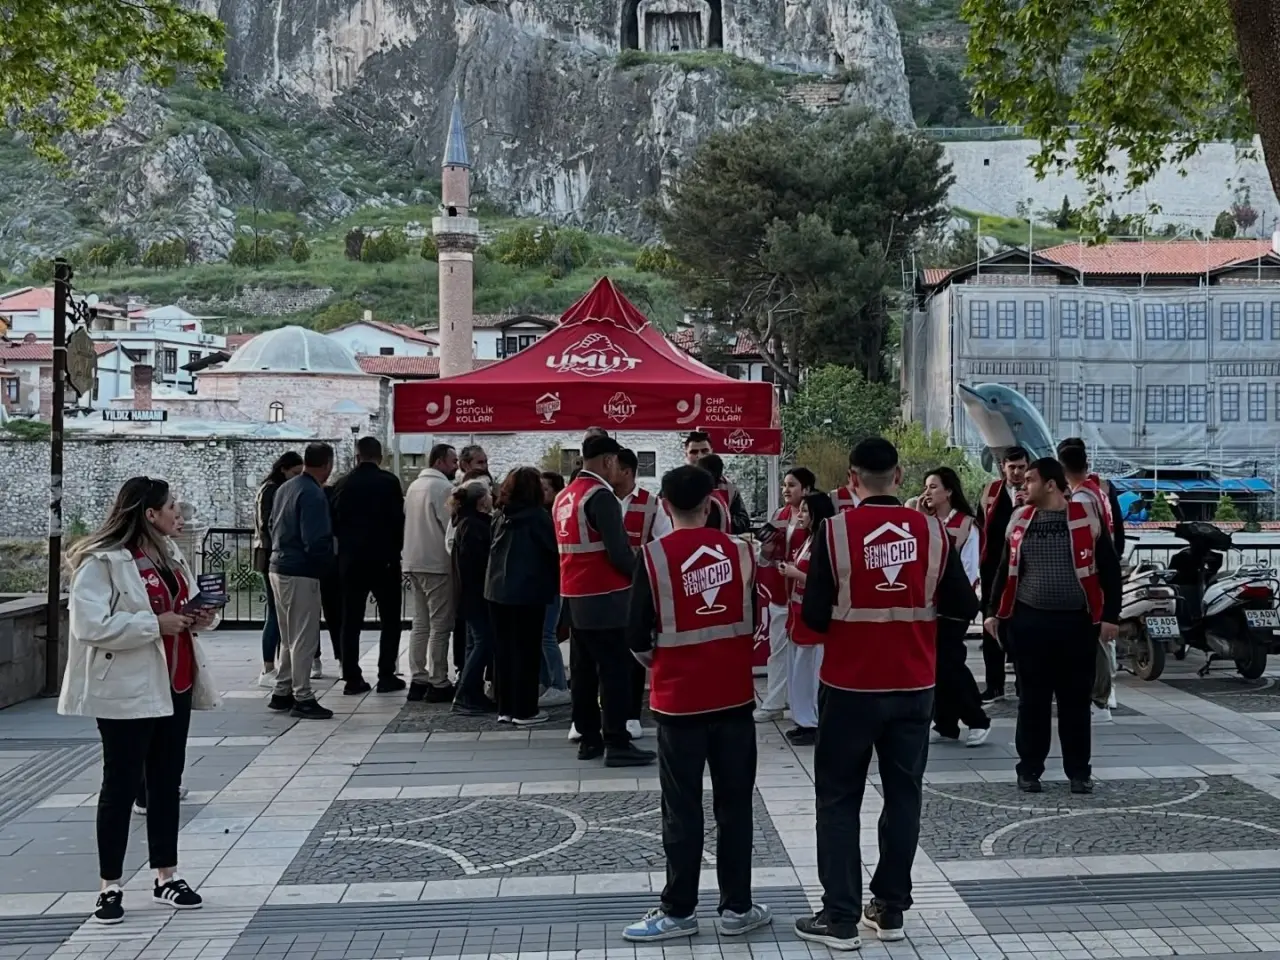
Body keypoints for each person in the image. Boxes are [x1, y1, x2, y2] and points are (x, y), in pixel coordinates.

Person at [796, 437, 979, 950]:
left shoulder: (833, 532)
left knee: (838, 799)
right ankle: (890, 908)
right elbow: (963, 605)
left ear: (852, 480)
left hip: (849, 687)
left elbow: (814, 615)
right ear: (899, 477)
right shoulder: (934, 532)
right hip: (914, 686)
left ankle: (839, 917)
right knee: (903, 796)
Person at [622, 465, 772, 942]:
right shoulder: (742, 553)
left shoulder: (652, 557)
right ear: (711, 504)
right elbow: (758, 620)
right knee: (735, 806)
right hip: (734, 700)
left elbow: (636, 637)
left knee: (681, 809)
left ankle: (679, 910)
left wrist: (666, 662)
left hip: (678, 704)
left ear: (665, 506)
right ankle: (737, 908)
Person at [62, 476, 220, 924]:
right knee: (121, 783)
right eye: (171, 507)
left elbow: (183, 608)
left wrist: (200, 616)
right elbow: (89, 625)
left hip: (176, 683)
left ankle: (166, 875)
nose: (178, 514)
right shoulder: (103, 560)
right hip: (127, 689)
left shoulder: (170, 554)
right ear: (149, 514)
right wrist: (155, 624)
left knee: (165, 782)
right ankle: (109, 884)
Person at [986, 457, 1123, 795]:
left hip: (1077, 622)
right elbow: (1004, 569)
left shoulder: (1086, 517)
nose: (1023, 484)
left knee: (1075, 701)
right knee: (1032, 701)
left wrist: (1111, 616)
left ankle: (1079, 772)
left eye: (1030, 479)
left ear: (1050, 484)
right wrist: (992, 611)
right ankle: (1029, 769)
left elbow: (1109, 568)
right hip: (1030, 621)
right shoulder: (1020, 519)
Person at [554, 434, 654, 767]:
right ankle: (617, 741)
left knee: (583, 671)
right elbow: (619, 553)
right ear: (609, 460)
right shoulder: (601, 497)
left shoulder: (565, 496)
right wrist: (642, 576)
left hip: (574, 596)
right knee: (615, 671)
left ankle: (589, 739)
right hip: (607, 597)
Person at [331, 436, 407, 695]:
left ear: (357, 456)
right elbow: (398, 520)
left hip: (351, 561)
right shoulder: (389, 482)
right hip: (384, 560)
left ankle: (352, 677)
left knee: (350, 620)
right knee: (390, 619)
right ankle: (386, 675)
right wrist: (395, 550)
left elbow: (334, 521)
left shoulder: (343, 483)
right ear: (380, 457)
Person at [920, 468, 991, 747]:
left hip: (954, 602)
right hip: (928, 602)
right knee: (937, 664)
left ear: (949, 491)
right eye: (926, 487)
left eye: (933, 487)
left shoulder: (965, 525)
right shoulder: (925, 522)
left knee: (949, 663)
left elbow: (970, 568)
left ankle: (977, 719)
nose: (927, 492)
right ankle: (946, 722)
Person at [268, 443, 337, 720]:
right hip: (301, 570)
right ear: (328, 465)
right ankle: (303, 695)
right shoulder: (313, 493)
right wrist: (328, 565)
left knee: (288, 636)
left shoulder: (286, 488)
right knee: (304, 637)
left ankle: (282, 690)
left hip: (278, 565)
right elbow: (315, 539)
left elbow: (272, 524)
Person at [488, 467, 560, 724]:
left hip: (496, 590)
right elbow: (553, 551)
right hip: (528, 591)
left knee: (504, 650)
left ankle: (505, 707)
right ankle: (525, 709)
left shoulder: (500, 516)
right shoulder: (538, 518)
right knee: (527, 651)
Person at [1058, 440, 1122, 724]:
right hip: (1100, 570)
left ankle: (1099, 699)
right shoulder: (1098, 491)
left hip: (1089, 573)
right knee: (1100, 641)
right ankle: (1102, 696)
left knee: (1096, 644)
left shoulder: (1081, 499)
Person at [615, 448, 673, 739]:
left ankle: (630, 714)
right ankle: (600, 714)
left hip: (636, 588)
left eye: (612, 466)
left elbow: (666, 542)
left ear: (627, 471)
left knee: (633, 651)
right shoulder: (598, 498)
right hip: (604, 590)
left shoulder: (651, 504)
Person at [754, 467, 815, 724]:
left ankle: (800, 701)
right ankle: (774, 703)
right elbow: (765, 559)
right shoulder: (779, 515)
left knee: (806, 653)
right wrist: (767, 550)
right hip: (781, 594)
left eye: (792, 485)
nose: (786, 490)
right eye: (784, 485)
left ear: (806, 489)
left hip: (805, 595)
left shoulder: (815, 517)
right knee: (778, 649)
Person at [403, 443, 459, 703]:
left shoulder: (414, 486)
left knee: (421, 622)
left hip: (413, 559)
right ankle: (439, 680)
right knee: (440, 624)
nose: (456, 466)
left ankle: (418, 678)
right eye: (453, 461)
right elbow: (451, 526)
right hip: (436, 562)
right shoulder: (443, 488)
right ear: (439, 461)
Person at [776, 489, 833, 746]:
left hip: (812, 619)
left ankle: (814, 722)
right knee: (799, 672)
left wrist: (795, 573)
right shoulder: (808, 539)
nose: (800, 515)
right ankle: (803, 719)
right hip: (798, 614)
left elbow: (824, 582)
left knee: (810, 674)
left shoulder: (824, 542)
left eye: (806, 511)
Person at [977, 445, 1029, 703]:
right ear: (1003, 467)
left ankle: (1023, 684)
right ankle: (994, 685)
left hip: (1024, 572)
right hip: (992, 571)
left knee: (1021, 631)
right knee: (991, 626)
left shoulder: (1035, 493)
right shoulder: (990, 492)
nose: (1017, 473)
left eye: (1021, 467)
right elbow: (980, 528)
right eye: (1012, 467)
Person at [252, 452, 302, 688]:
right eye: (295, 473)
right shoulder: (272, 490)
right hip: (271, 555)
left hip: (269, 554)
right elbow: (268, 524)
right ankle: (268, 667)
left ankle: (274, 665)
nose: (297, 478)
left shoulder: (271, 488)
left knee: (277, 612)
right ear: (284, 469)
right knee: (274, 612)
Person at [450, 482, 496, 715]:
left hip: (469, 595)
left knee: (474, 643)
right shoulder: (474, 526)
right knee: (483, 642)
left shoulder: (466, 523)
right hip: (476, 594)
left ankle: (472, 691)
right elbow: (477, 563)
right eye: (489, 494)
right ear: (481, 500)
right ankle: (465, 692)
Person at [539, 471, 570, 707]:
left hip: (553, 581)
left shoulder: (554, 517)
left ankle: (558, 684)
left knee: (547, 635)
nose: (541, 493)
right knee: (544, 635)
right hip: (548, 581)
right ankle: (549, 680)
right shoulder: (544, 514)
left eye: (545, 489)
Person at [683, 432, 750, 533]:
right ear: (686, 455)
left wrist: (720, 520)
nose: (700, 456)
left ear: (712, 451)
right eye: (694, 452)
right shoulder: (675, 484)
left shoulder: (728, 487)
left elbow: (743, 521)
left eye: (704, 451)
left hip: (720, 541)